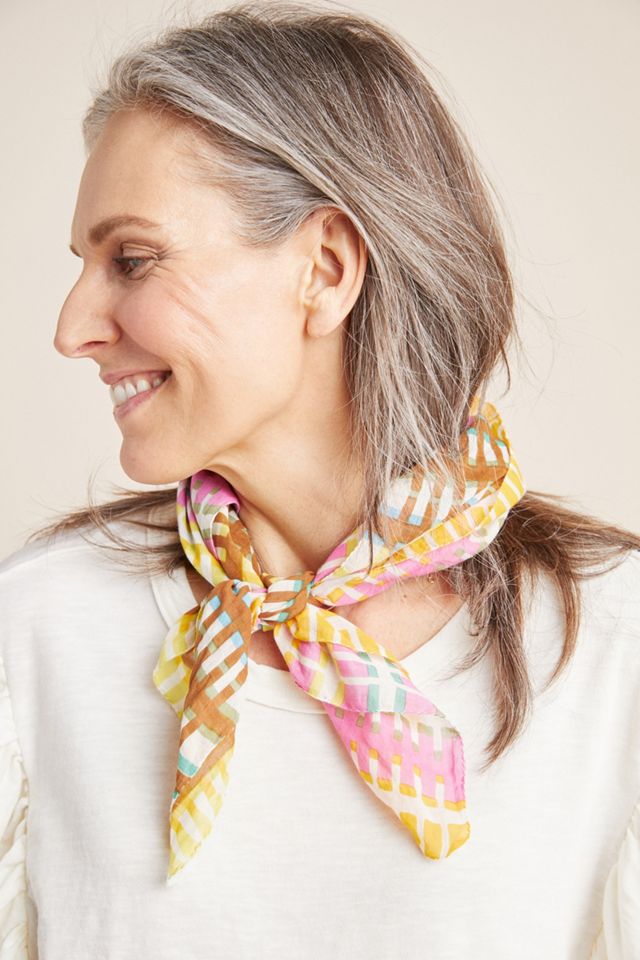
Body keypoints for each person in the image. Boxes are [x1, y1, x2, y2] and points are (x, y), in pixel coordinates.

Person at [1, 1, 638, 956]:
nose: (72, 328)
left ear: (327, 270)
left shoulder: (614, 653)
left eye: (132, 259)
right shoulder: (35, 630)